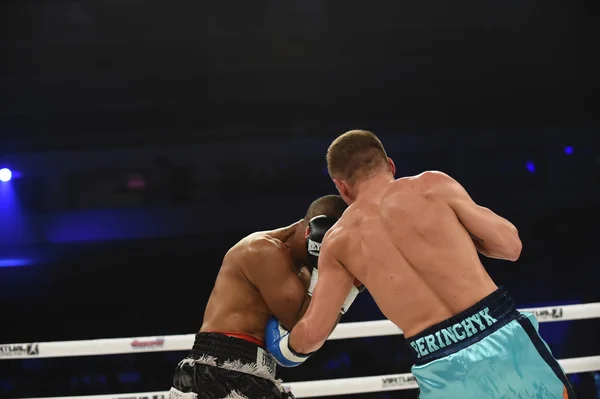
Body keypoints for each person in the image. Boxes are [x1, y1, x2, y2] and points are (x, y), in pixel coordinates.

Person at [266, 130, 575, 398]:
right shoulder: (432, 185)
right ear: (389, 165)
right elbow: (510, 247)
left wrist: (280, 346)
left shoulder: (338, 242)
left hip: (444, 371)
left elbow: (313, 334)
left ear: (341, 186)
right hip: (507, 341)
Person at [169, 195, 350, 399]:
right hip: (218, 370)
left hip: (254, 373)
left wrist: (350, 290)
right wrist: (327, 270)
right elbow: (302, 325)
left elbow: (318, 330)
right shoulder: (264, 249)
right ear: (316, 232)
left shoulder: (304, 272)